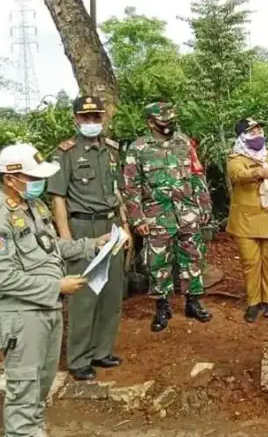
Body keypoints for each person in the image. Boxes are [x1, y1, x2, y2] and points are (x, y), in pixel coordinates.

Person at [0, 143, 110, 437]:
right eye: (32, 178)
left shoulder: (33, 205)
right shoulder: (1, 216)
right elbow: (3, 277)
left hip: (49, 309)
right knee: (24, 391)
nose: (38, 183)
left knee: (40, 389)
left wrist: (91, 245)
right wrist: (56, 286)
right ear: (10, 178)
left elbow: (51, 246)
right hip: (22, 317)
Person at [47, 95, 131, 382]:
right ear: (75, 119)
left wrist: (126, 227)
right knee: (84, 296)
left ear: (103, 118)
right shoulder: (65, 153)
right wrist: (67, 239)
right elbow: (58, 198)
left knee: (110, 293)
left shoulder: (111, 150)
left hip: (112, 227)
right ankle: (79, 358)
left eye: (96, 117)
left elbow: (118, 192)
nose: (91, 122)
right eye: (85, 118)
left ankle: (101, 350)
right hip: (82, 227)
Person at [122, 102, 213, 332]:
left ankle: (193, 302)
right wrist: (137, 219)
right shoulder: (138, 148)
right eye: (163, 123)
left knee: (192, 257)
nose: (168, 127)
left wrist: (204, 206)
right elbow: (131, 187)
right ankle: (162, 307)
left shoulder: (184, 143)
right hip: (157, 215)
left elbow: (196, 175)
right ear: (150, 123)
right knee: (158, 263)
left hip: (187, 212)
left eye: (171, 122)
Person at [227, 117, 268, 323]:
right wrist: (259, 172)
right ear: (242, 136)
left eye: (260, 129)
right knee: (250, 262)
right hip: (245, 222)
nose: (258, 134)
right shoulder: (236, 158)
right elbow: (237, 175)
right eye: (252, 131)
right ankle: (254, 303)